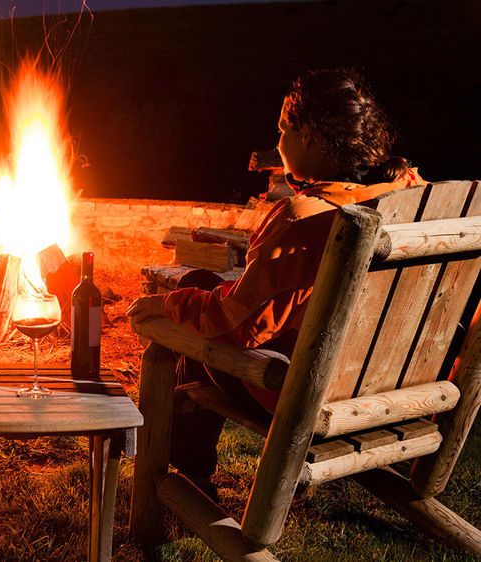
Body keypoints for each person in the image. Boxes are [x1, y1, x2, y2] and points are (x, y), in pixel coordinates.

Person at [126, 68, 425, 496]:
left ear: (308, 135)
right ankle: (189, 466)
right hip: (397, 391)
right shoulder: (413, 192)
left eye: (283, 128)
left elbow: (238, 326)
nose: (278, 140)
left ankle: (188, 477)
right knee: (201, 284)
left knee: (190, 307)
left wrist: (166, 305)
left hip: (312, 401)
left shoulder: (305, 218)